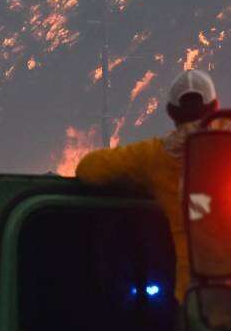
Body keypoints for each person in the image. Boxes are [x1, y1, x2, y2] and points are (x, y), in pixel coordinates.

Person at [73, 69, 219, 299]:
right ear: (216, 106)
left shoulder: (154, 158)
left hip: (195, 298)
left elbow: (88, 170)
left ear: (171, 113)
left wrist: (136, 181)